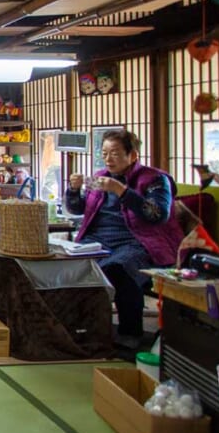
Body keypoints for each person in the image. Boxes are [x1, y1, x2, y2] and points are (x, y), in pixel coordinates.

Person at [64, 130, 184, 349]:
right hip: (98, 238)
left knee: (120, 268)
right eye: (105, 153)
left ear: (133, 155)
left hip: (139, 241)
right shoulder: (100, 176)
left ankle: (131, 332)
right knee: (68, 263)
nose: (109, 159)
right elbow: (76, 209)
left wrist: (121, 190)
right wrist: (73, 190)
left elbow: (157, 214)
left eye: (116, 153)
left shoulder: (156, 179)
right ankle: (82, 327)